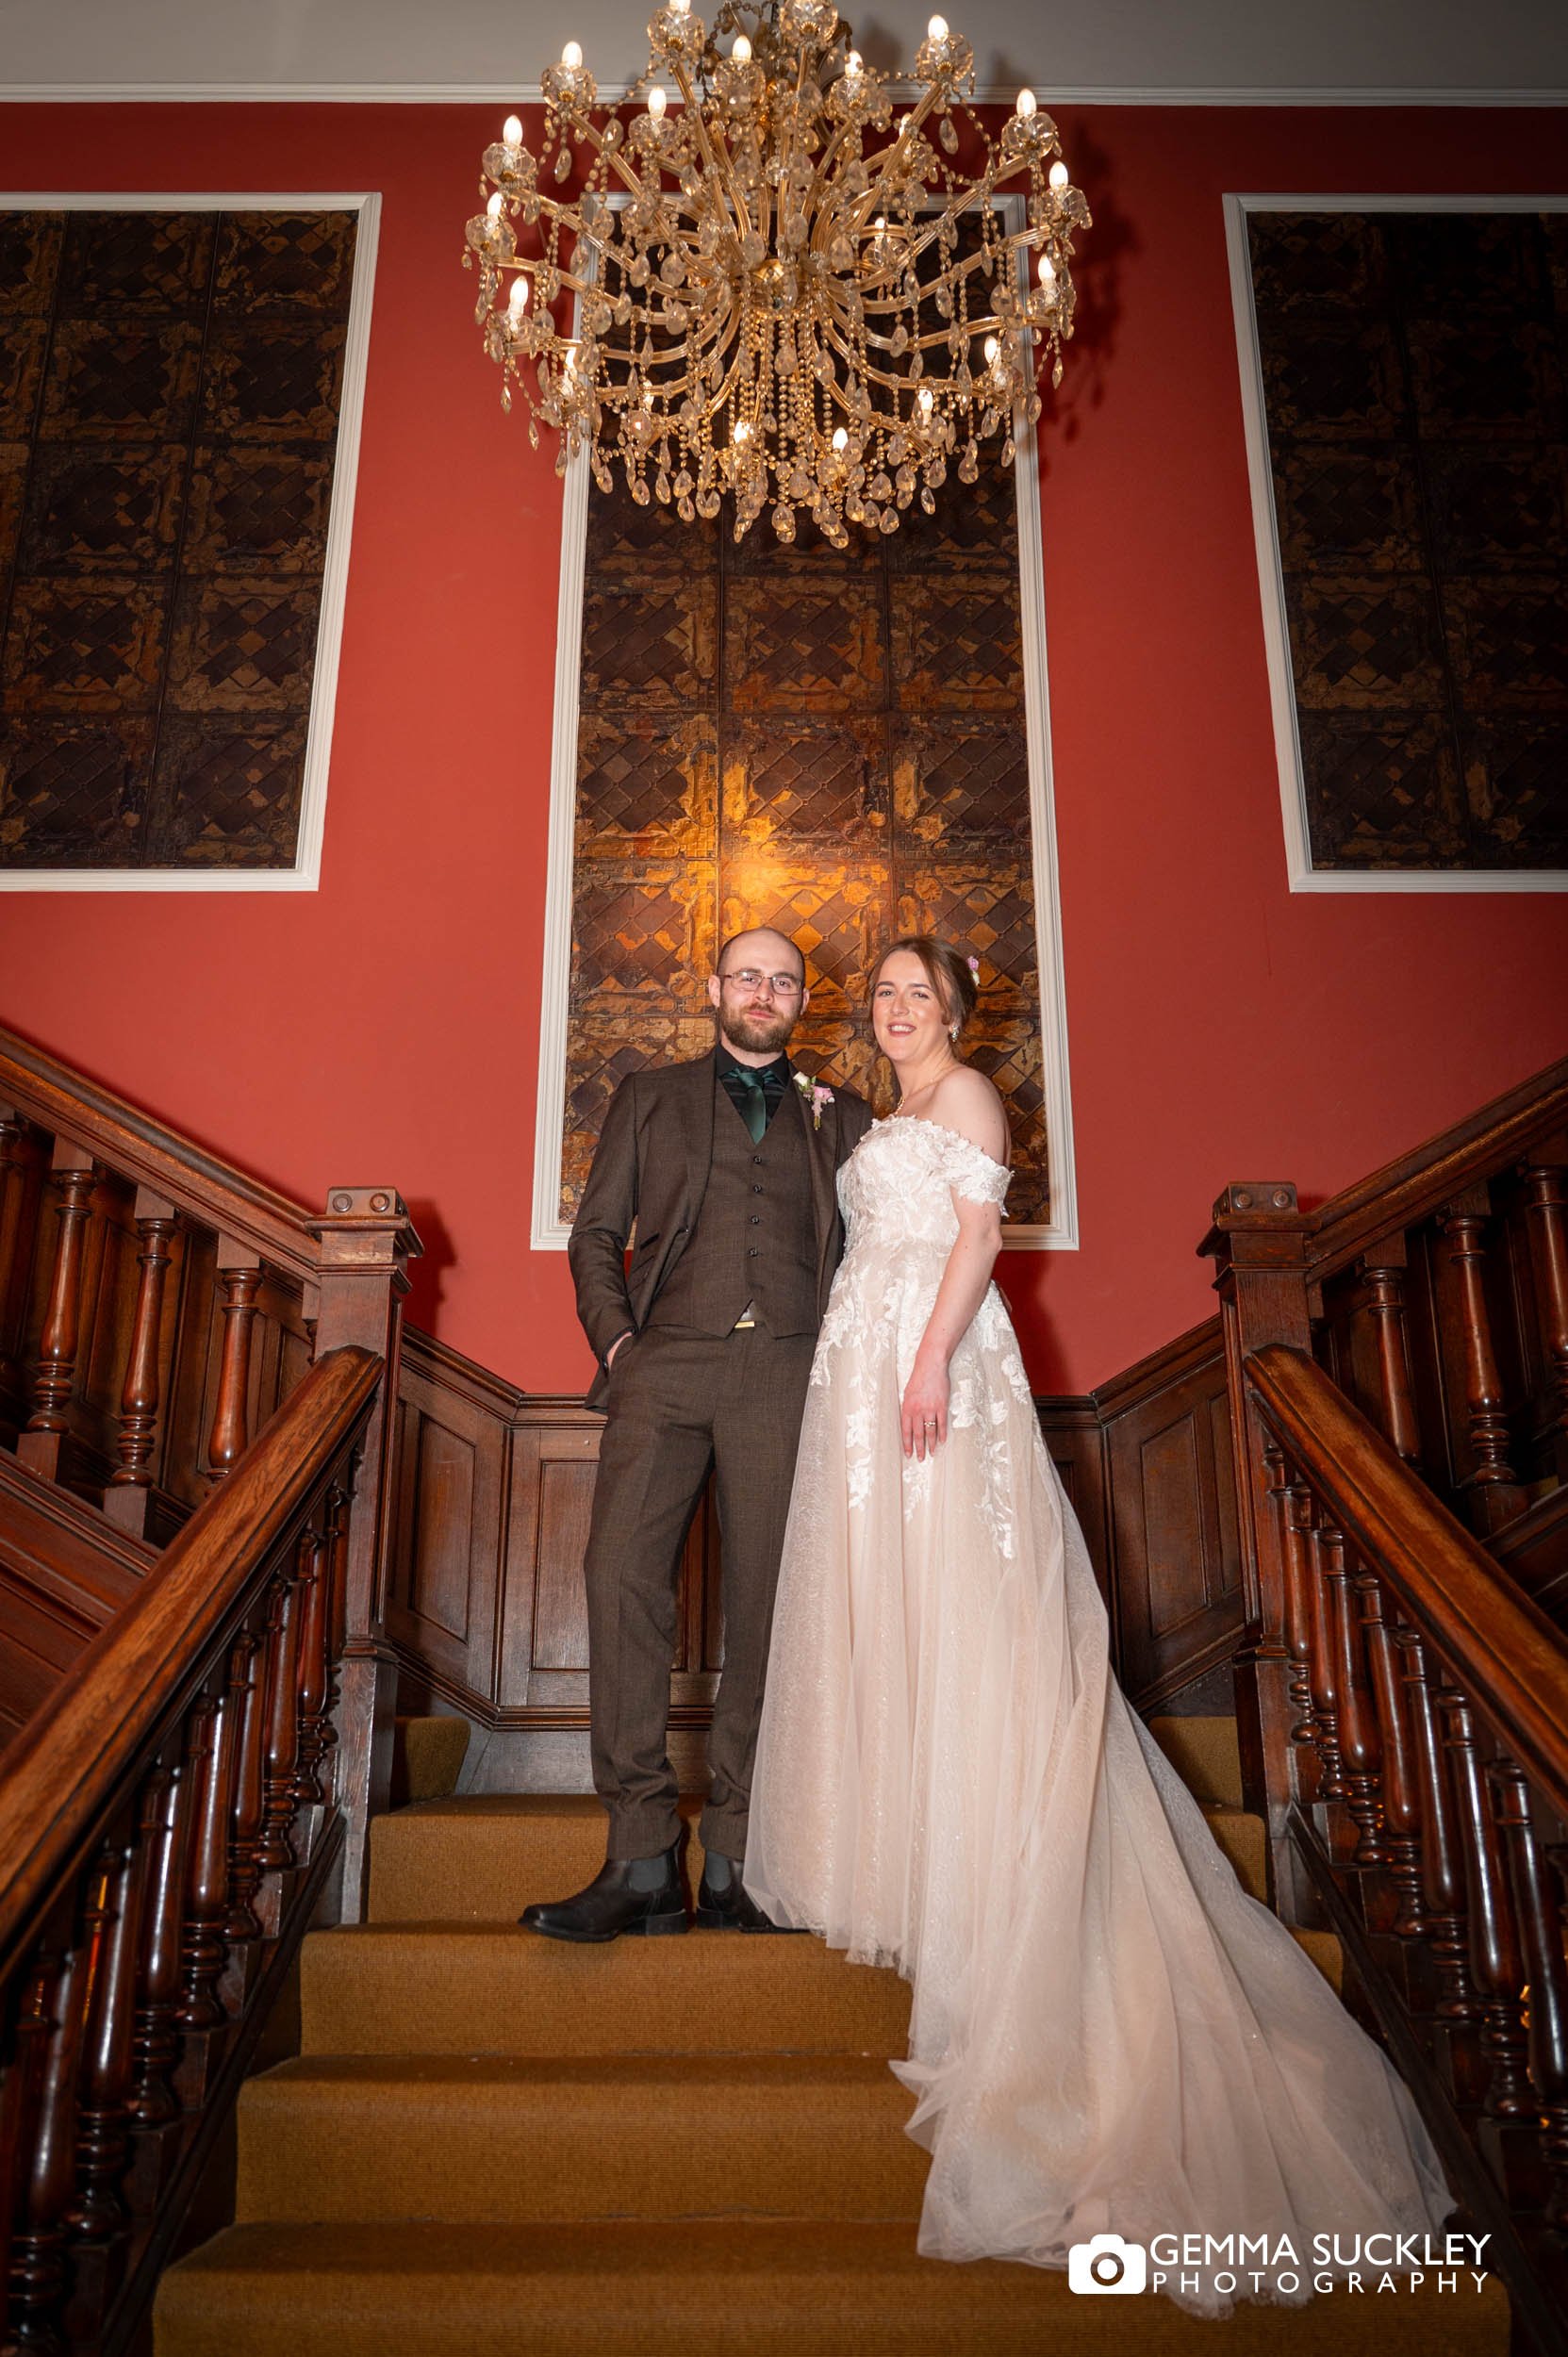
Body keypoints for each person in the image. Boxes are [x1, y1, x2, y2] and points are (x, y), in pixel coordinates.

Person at [743, 935, 1453, 2314]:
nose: (894, 1012)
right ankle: (922, 1838)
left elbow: (974, 1237)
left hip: (928, 1365)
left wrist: (929, 1361)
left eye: (914, 995)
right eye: (879, 996)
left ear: (951, 1010)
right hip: (859, 1362)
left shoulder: (965, 1102)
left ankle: (1005, 1877)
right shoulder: (881, 1114)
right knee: (890, 1616)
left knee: (974, 1614)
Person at [521, 926, 874, 1943]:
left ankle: (735, 1856)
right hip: (663, 1360)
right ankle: (638, 1856)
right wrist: (621, 1344)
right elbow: (596, 1234)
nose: (764, 991)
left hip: (788, 1370)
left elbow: (872, 1251)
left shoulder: (844, 1114)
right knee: (618, 1576)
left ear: (804, 1001)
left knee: (770, 1600)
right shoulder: (649, 1096)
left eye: (784, 980)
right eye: (747, 975)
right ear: (714, 986)